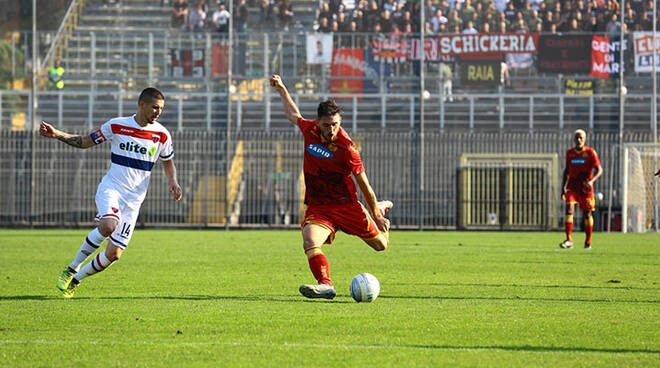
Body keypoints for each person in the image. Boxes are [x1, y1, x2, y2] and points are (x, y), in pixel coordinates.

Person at [39, 88, 183, 298]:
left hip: (134, 201)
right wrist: (58, 134)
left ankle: (76, 280)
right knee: (108, 225)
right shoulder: (117, 125)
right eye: (155, 107)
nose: (158, 112)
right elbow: (86, 141)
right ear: (142, 104)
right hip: (112, 189)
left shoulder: (162, 134)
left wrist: (173, 181)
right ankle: (71, 269)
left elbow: (168, 162)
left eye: (161, 109)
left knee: (114, 254)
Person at [269, 74, 393, 300]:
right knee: (309, 239)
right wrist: (282, 89)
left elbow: (364, 185)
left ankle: (381, 208)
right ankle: (325, 284)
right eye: (326, 125)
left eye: (335, 124)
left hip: (347, 206)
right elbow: (293, 114)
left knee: (381, 245)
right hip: (320, 207)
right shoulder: (310, 131)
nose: (331, 129)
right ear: (318, 123)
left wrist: (376, 212)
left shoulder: (348, 149)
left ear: (340, 122)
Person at [560, 129, 603, 250]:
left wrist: (591, 181)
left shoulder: (590, 153)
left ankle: (588, 242)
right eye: (577, 138)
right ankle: (569, 240)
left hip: (586, 189)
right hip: (572, 187)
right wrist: (563, 187)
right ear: (574, 139)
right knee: (569, 210)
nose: (579, 140)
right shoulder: (570, 153)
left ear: (585, 139)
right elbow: (567, 171)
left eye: (581, 138)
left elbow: (599, 170)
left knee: (587, 214)